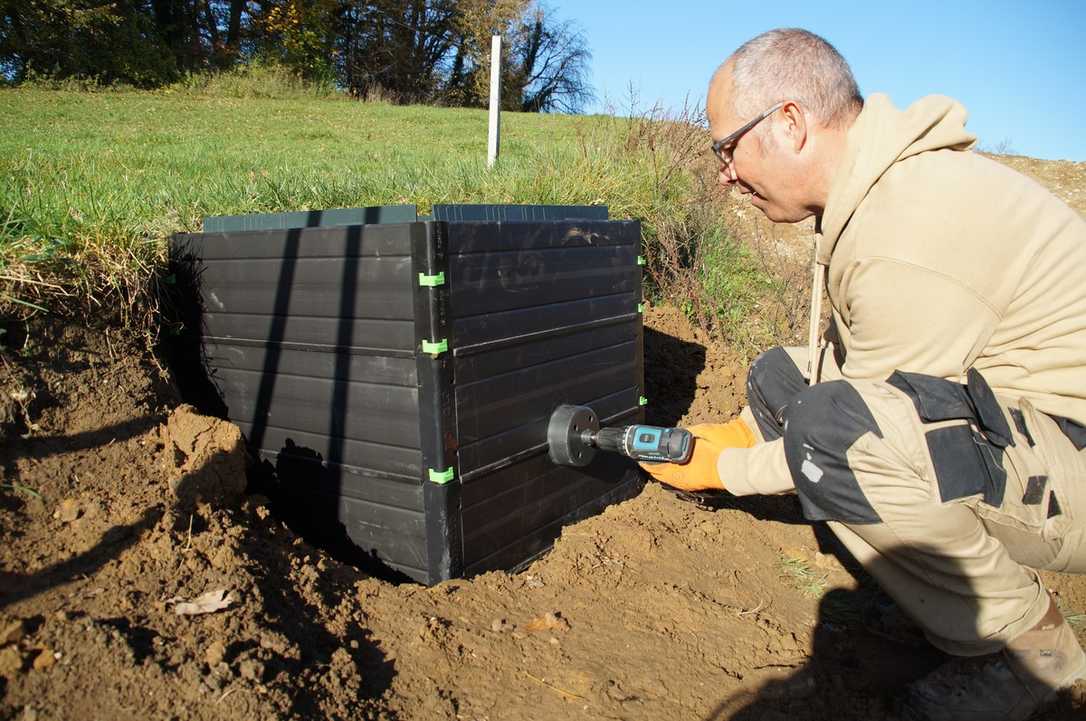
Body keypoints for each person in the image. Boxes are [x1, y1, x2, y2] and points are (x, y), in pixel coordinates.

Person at [639, 27, 1086, 720]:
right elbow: (856, 369)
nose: (724, 172)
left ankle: (1027, 653)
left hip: (1070, 460)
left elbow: (857, 424)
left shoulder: (908, 227)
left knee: (831, 432)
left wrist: (722, 469)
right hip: (1023, 428)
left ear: (788, 124)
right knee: (785, 380)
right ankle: (946, 589)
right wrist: (741, 431)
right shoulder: (882, 194)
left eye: (727, 147)